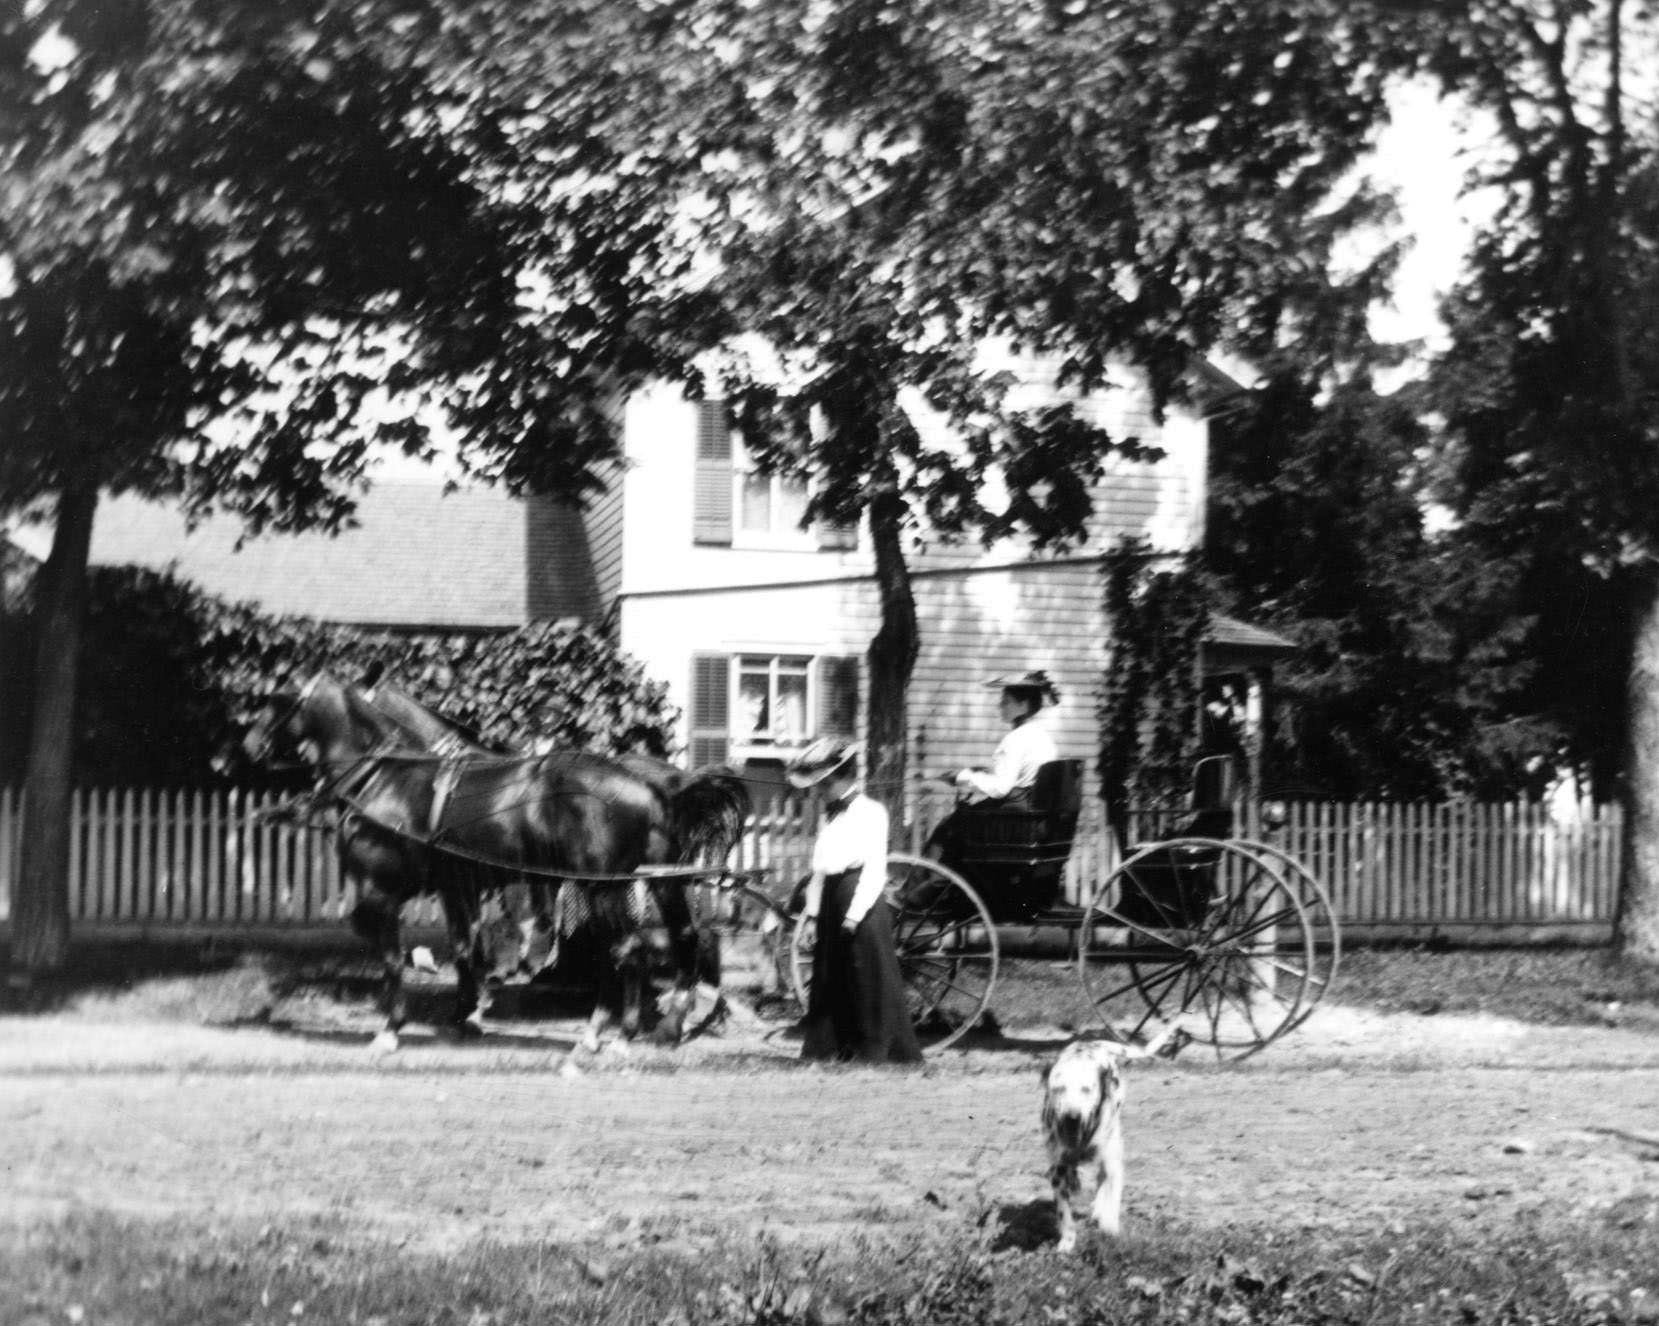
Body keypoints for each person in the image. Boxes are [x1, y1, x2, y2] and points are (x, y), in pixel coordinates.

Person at [788, 737, 923, 1065]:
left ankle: (877, 1051)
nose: (821, 791)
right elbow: (819, 871)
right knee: (830, 975)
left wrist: (854, 916)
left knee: (867, 978)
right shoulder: (830, 817)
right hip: (832, 897)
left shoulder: (872, 812)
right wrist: (812, 915)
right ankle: (830, 1049)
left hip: (859, 901)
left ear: (845, 778)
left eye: (825, 784)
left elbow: (875, 869)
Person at [950, 671, 1061, 813]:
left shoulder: (1015, 739)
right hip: (1036, 817)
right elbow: (1025, 774)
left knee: (951, 826)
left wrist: (961, 776)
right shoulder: (1044, 738)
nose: (1000, 706)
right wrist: (989, 772)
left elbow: (1000, 788)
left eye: (1005, 701)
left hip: (1014, 821)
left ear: (1024, 706)